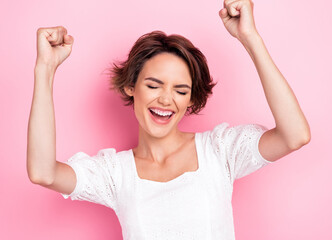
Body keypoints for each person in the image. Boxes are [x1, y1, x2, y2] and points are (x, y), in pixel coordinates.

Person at [27, 0, 311, 239]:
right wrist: (45, 69)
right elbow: (43, 173)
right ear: (130, 87)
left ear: (190, 100)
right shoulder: (116, 174)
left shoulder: (219, 151)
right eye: (153, 85)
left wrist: (250, 37)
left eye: (181, 90)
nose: (166, 99)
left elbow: (294, 135)